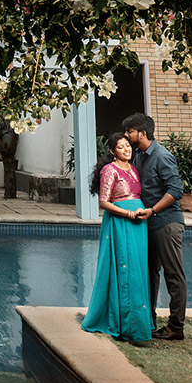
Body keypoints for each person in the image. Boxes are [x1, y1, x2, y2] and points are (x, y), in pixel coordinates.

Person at [81, 132, 154, 344]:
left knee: (138, 269)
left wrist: (140, 213)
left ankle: (139, 322)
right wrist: (128, 213)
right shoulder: (109, 170)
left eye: (127, 145)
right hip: (121, 224)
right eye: (121, 147)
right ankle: (125, 325)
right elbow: (104, 202)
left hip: (139, 225)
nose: (126, 149)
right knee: (125, 268)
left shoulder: (134, 169)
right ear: (113, 151)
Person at [122, 112, 187, 341]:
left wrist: (153, 210)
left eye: (130, 131)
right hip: (147, 224)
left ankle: (176, 327)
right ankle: (147, 320)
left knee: (173, 274)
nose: (127, 135)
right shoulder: (139, 156)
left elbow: (176, 190)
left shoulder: (162, 157)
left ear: (142, 133)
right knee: (149, 273)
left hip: (166, 223)